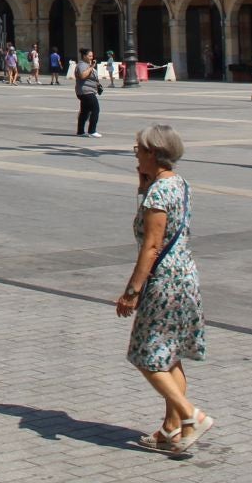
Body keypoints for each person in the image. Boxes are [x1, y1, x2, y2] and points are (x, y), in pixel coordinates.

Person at [115, 124, 210, 454]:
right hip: (185, 275)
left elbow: (152, 246)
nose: (136, 156)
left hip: (163, 280)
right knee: (170, 355)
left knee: (145, 355)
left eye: (139, 150)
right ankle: (172, 429)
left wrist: (132, 291)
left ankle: (191, 415)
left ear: (153, 153)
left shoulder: (158, 193)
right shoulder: (179, 183)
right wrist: (144, 186)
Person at [74, 49, 103, 138]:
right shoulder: (82, 65)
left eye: (92, 56)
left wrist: (97, 85)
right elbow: (83, 76)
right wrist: (91, 67)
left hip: (86, 91)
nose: (91, 57)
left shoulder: (87, 65)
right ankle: (92, 131)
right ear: (84, 56)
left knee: (84, 111)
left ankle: (80, 131)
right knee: (95, 109)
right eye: (89, 56)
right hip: (86, 91)